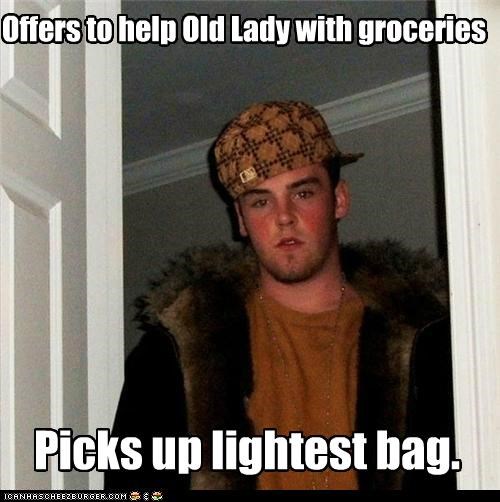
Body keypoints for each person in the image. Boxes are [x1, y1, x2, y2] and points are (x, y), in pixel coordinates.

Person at [106, 101, 454, 491]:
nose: (283, 216)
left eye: (302, 193)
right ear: (241, 220)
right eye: (260, 201)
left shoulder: (429, 341)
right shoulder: (178, 348)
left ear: (339, 199)